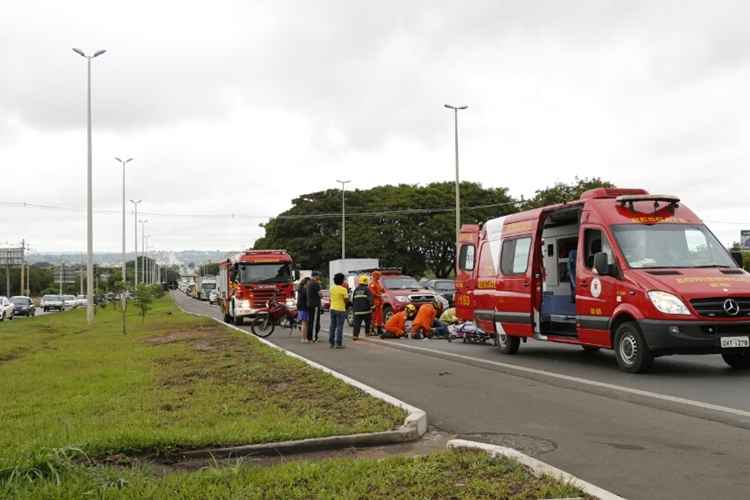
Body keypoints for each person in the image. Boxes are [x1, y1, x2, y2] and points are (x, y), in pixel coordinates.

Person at [329, 273, 349, 349]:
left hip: (332, 308)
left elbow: (331, 298)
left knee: (332, 326)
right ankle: (338, 343)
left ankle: (331, 342)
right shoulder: (343, 289)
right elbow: (346, 300)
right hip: (341, 309)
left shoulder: (331, 288)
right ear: (342, 281)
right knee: (339, 327)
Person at [351, 274, 373, 340]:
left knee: (357, 324)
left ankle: (355, 336)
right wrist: (372, 306)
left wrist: (354, 308)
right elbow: (370, 299)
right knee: (368, 322)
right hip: (366, 310)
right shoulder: (367, 289)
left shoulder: (356, 290)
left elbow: (353, 300)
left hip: (357, 310)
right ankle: (367, 333)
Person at [306, 272, 322, 342]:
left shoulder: (309, 283)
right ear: (315, 276)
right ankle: (314, 337)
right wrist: (321, 295)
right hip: (315, 305)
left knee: (310, 321)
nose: (319, 277)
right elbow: (320, 294)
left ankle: (309, 336)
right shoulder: (315, 283)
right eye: (318, 276)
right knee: (315, 321)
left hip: (310, 304)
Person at [369, 270, 386, 336]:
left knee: (380, 317)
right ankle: (372, 330)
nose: (379, 277)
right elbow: (372, 293)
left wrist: (383, 291)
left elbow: (381, 290)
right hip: (375, 302)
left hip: (379, 302)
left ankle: (379, 329)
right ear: (375, 276)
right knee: (374, 317)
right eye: (378, 275)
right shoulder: (372, 283)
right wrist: (380, 295)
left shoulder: (377, 283)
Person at [296, 277, 310, 343]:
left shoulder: (300, 289)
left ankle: (304, 338)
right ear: (306, 282)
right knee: (304, 324)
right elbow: (307, 299)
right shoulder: (305, 290)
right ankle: (303, 338)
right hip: (304, 308)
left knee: (304, 323)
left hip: (300, 307)